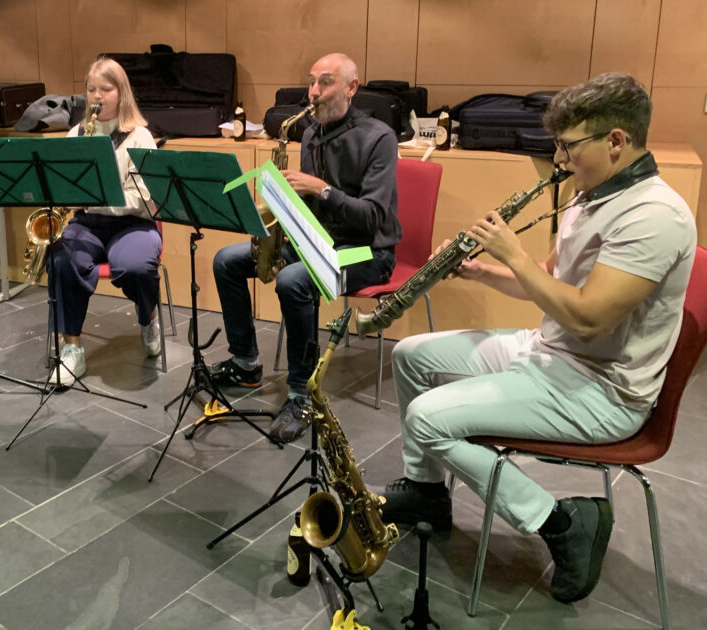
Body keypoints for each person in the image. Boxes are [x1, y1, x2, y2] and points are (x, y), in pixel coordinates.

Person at [378, 73, 696, 604]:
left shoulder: (653, 216)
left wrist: (514, 254)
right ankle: (427, 491)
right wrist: (480, 270)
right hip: (553, 353)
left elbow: (588, 319)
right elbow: (548, 281)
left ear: (616, 141)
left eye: (569, 146)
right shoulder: (591, 193)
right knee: (410, 355)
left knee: (428, 418)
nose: (560, 159)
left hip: (603, 390)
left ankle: (561, 523)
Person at [210, 52, 400, 442]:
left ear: (351, 87)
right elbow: (309, 207)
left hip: (368, 252)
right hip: (315, 242)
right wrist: (280, 202)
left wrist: (322, 190)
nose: (313, 92)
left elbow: (372, 217)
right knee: (226, 260)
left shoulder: (379, 138)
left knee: (293, 281)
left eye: (324, 82)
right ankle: (245, 362)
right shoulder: (311, 133)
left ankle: (301, 395)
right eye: (311, 82)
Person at [47, 56, 161, 386]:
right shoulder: (77, 134)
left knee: (135, 267)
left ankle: (148, 316)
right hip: (87, 223)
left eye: (105, 89)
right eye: (91, 89)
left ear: (121, 93)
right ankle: (71, 348)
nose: (97, 96)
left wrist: (97, 200)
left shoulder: (140, 137)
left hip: (134, 224)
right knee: (61, 260)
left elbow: (144, 198)